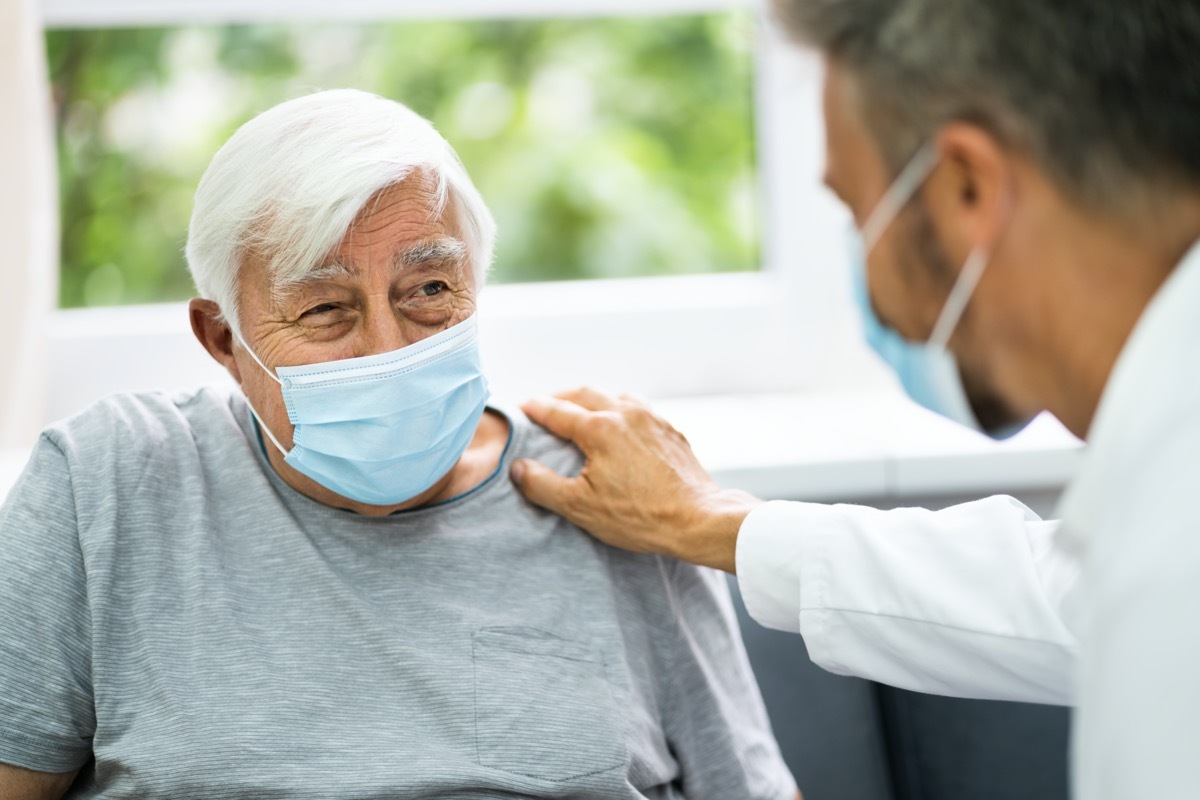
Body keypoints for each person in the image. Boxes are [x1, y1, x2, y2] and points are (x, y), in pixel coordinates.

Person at [0, 89, 800, 800]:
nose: (388, 345)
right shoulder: (104, 485)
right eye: (325, 310)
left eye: (427, 291)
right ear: (224, 339)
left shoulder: (616, 494)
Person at [509, 1, 1200, 797]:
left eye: (855, 211)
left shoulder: (1173, 554)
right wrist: (717, 522)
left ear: (967, 187)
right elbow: (1062, 600)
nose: (862, 277)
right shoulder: (1160, 505)